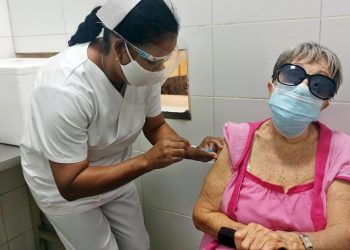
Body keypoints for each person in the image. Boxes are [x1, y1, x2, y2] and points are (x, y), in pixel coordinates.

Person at [20, 0, 223, 249]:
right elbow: (70, 184)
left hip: (116, 173)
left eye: (164, 60)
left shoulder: (139, 72)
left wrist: (194, 150)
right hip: (65, 186)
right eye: (154, 61)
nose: (159, 69)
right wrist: (147, 161)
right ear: (120, 48)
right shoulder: (64, 86)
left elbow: (155, 126)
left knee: (139, 245)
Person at [193, 42, 350, 250]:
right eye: (292, 75)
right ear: (272, 87)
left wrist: (294, 242)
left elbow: (343, 234)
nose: (302, 89)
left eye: (319, 85)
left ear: (324, 104)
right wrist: (246, 238)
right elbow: (202, 213)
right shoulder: (238, 139)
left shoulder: (340, 150)